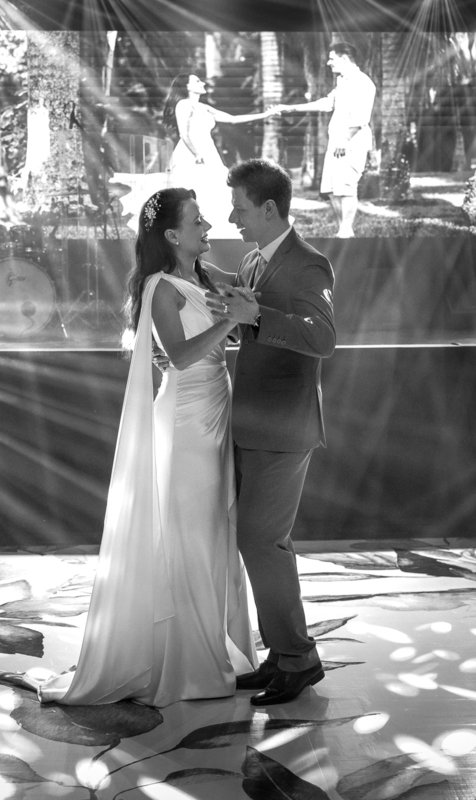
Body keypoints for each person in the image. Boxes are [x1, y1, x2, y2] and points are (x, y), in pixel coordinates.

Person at [37, 188, 258, 706]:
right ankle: (187, 664)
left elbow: (249, 290)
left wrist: (244, 303)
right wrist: (233, 321)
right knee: (189, 536)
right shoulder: (161, 287)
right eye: (198, 221)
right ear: (173, 235)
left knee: (211, 533)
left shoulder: (201, 276)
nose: (208, 227)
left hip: (215, 412)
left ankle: (207, 651)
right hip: (185, 425)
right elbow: (178, 355)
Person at [204, 158, 336, 705]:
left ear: (268, 208)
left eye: (239, 208)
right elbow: (248, 317)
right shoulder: (253, 261)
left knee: (260, 540)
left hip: (284, 428)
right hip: (251, 423)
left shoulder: (309, 264)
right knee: (262, 542)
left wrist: (256, 317)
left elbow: (323, 338)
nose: (232, 218)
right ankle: (282, 658)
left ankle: (299, 659)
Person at [271, 42, 377, 237]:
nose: (329, 63)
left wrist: (344, 140)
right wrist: (291, 108)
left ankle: (346, 231)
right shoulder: (342, 81)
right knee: (331, 188)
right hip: (337, 142)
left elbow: (361, 118)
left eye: (332, 58)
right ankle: (343, 230)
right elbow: (327, 103)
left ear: (344, 59)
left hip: (351, 142)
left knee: (346, 187)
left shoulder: (363, 83)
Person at [163, 73, 274, 239]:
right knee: (195, 190)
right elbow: (184, 134)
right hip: (191, 153)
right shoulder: (184, 105)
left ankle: (214, 231)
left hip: (208, 151)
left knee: (219, 188)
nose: (202, 83)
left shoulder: (204, 107)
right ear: (187, 86)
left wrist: (265, 115)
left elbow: (233, 119)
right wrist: (196, 155)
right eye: (197, 81)